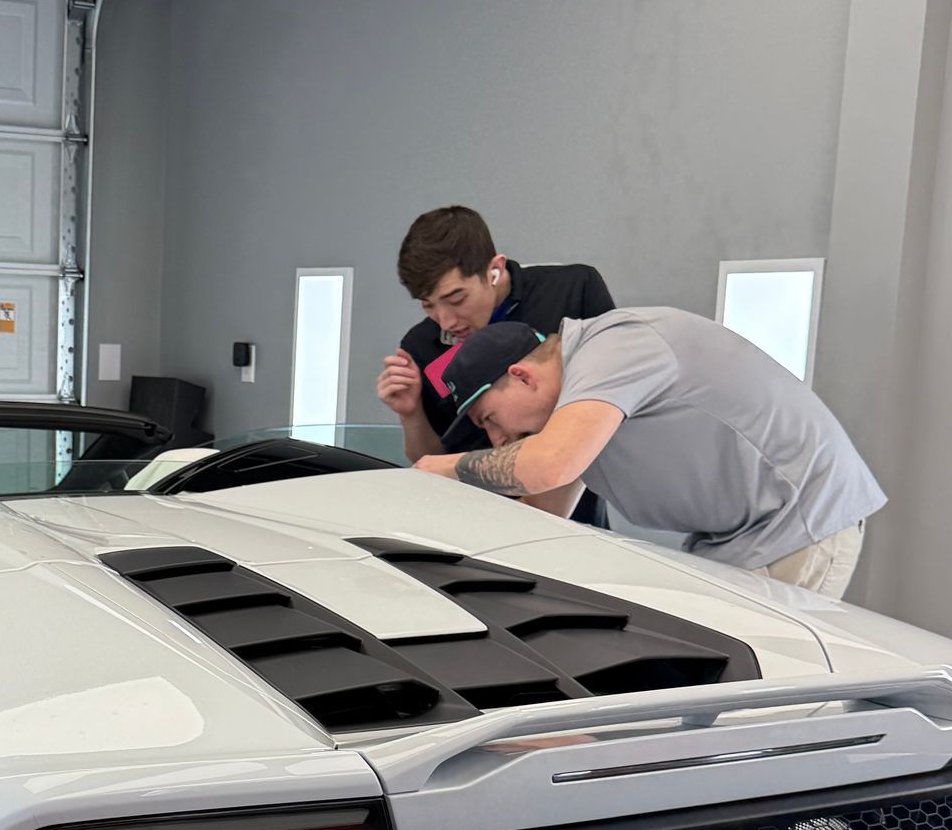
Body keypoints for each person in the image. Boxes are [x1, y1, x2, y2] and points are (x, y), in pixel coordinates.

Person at [415, 307, 885, 597]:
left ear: (522, 377)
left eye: (489, 419)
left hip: (794, 520)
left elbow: (547, 466)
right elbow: (542, 510)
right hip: (735, 535)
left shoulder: (615, 347)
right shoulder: (581, 406)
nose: (497, 438)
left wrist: (444, 470)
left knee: (754, 700)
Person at [376, 205, 613, 465]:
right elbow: (431, 462)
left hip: (574, 473)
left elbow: (613, 391)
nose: (445, 321)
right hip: (473, 488)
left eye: (456, 299)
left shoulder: (573, 289)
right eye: (428, 305)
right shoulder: (421, 346)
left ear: (494, 270)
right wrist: (411, 414)